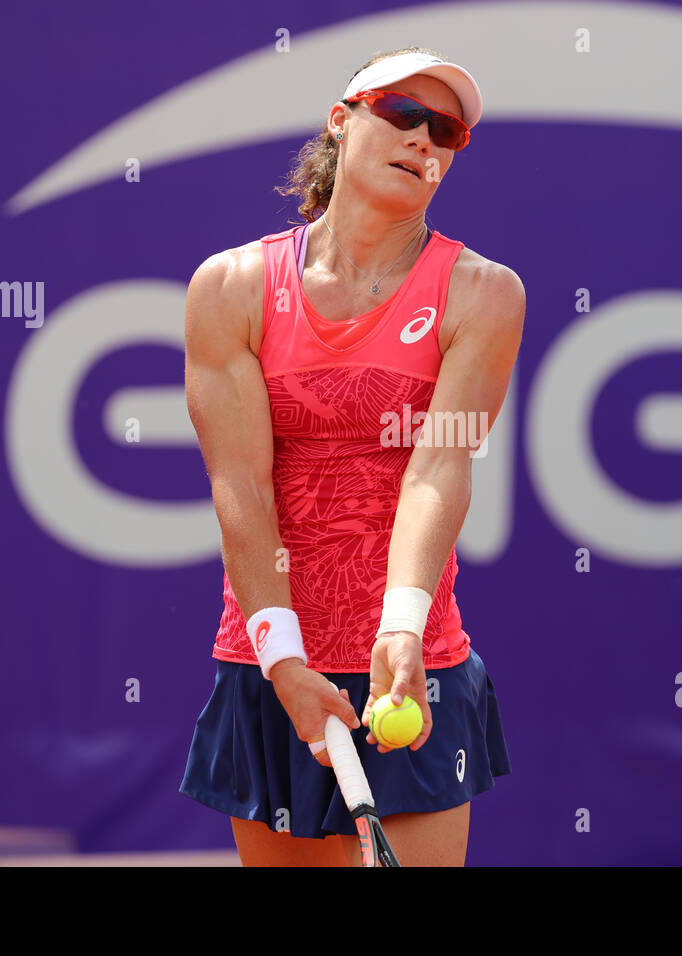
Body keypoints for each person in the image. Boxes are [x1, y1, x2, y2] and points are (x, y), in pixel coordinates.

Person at [179, 47, 524, 866]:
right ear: (343, 121)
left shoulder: (483, 293)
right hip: (274, 658)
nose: (424, 141)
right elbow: (241, 485)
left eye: (446, 132)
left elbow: (439, 468)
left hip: (413, 665)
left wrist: (400, 628)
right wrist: (283, 656)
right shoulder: (230, 289)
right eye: (403, 115)